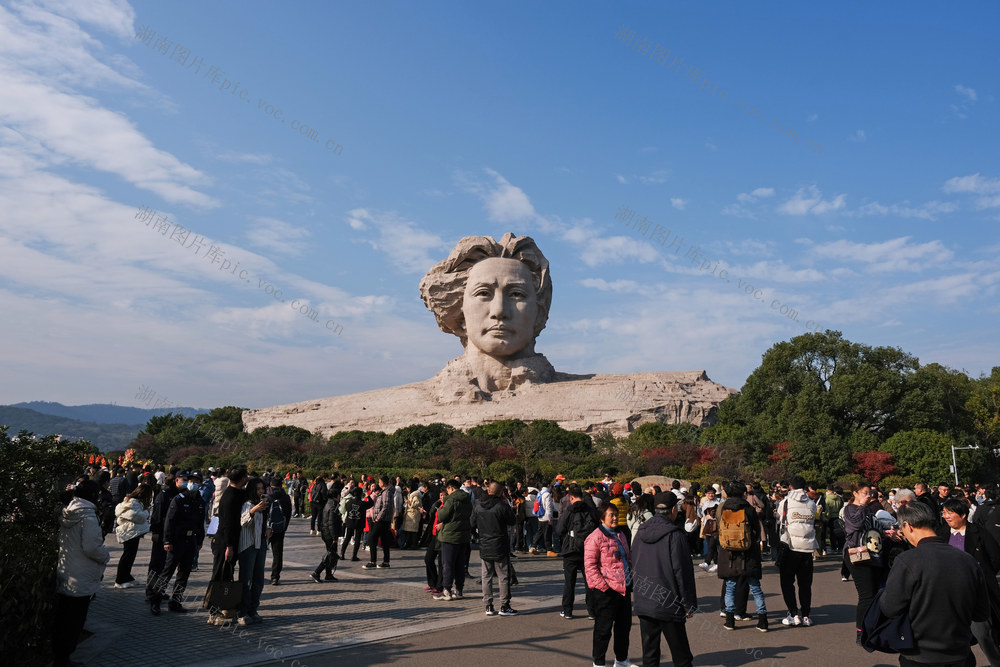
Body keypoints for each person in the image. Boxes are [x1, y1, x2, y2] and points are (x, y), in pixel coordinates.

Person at [882, 501, 989, 666]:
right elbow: (981, 613)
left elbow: (889, 607)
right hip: (959, 651)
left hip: (919, 654)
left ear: (907, 526)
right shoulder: (968, 560)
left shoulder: (907, 561)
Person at [632, 491, 696, 667]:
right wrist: (688, 603)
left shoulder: (640, 532)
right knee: (681, 655)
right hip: (669, 602)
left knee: (650, 654)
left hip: (644, 600)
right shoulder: (675, 535)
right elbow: (682, 572)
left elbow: (633, 564)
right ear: (673, 509)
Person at [53, 480, 110, 667]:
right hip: (81, 576)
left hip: (66, 571)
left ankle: (59, 657)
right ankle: (64, 659)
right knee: (75, 620)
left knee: (63, 618)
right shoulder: (88, 517)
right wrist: (106, 556)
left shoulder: (68, 511)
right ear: (93, 495)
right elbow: (92, 547)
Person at [941, 497, 1000, 665]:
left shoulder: (979, 533)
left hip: (975, 593)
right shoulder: (941, 533)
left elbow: (995, 558)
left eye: (950, 512)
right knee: (954, 634)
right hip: (949, 594)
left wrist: (982, 576)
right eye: (944, 512)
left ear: (963, 515)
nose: (946, 516)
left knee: (983, 633)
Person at [149, 472, 206, 615]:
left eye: (196, 482)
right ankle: (155, 601)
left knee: (183, 574)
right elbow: (169, 521)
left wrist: (199, 541)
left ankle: (176, 601)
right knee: (167, 573)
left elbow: (200, 524)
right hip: (176, 541)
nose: (193, 483)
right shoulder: (179, 499)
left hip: (190, 541)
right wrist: (167, 540)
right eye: (191, 481)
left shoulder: (200, 502)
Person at [585, 502, 633, 667]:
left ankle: (621, 660)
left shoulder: (621, 534)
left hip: (624, 588)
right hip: (606, 591)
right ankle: (598, 663)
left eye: (616, 514)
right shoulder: (595, 537)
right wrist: (604, 587)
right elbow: (590, 567)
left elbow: (628, 559)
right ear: (601, 518)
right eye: (611, 515)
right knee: (603, 630)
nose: (614, 518)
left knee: (623, 628)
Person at [717, 481, 768, 632]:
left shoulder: (723, 507)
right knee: (755, 587)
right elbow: (756, 530)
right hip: (749, 552)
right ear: (743, 494)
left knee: (730, 586)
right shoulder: (749, 509)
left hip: (729, 553)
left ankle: (730, 620)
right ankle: (762, 621)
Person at [843, 482, 886, 644]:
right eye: (865, 493)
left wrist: (886, 532)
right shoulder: (850, 509)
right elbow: (855, 525)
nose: (868, 496)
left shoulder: (869, 509)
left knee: (875, 593)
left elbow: (872, 529)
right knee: (866, 595)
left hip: (873, 554)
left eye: (870, 493)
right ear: (855, 493)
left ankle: (872, 628)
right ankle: (861, 632)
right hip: (857, 553)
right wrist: (861, 506)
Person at [777, 475, 819, 628]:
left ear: (790, 487)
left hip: (790, 546)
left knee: (787, 582)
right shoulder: (811, 503)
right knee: (805, 584)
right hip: (807, 547)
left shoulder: (786, 502)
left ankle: (793, 614)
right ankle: (806, 615)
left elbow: (780, 519)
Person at [207, 467, 247, 626]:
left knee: (227, 574)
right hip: (224, 541)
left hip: (230, 541)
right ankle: (213, 612)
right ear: (243, 478)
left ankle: (226, 608)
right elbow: (228, 525)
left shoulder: (237, 493)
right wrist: (229, 547)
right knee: (219, 575)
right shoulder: (230, 497)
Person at [473, 481, 518, 616]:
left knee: (486, 575)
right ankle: (504, 605)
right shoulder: (501, 506)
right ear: (500, 492)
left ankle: (488, 605)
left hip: (485, 543)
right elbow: (512, 521)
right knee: (503, 576)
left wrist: (478, 535)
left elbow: (471, 523)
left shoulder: (478, 505)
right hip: (499, 543)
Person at [557, 483, 599, 619]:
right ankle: (592, 611)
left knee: (570, 582)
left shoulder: (569, 511)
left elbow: (559, 530)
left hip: (570, 550)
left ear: (571, 498)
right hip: (588, 551)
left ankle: (567, 610)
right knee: (589, 582)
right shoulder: (591, 510)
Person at [144, 473, 183, 604]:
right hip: (160, 533)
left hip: (172, 534)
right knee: (156, 564)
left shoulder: (180, 495)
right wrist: (155, 531)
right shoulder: (164, 494)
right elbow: (157, 513)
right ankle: (150, 592)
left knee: (165, 566)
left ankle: (158, 590)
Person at [236, 478, 270, 625]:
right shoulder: (248, 504)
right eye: (257, 489)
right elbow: (243, 521)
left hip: (260, 544)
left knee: (259, 580)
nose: (260, 491)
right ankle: (242, 612)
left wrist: (269, 528)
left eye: (262, 488)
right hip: (248, 545)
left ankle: (253, 609)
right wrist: (255, 509)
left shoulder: (264, 506)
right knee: (246, 579)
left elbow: (265, 523)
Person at [434, 478, 473, 600]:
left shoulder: (451, 499)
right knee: (460, 564)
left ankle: (446, 590)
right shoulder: (467, 499)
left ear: (451, 488)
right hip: (463, 535)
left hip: (450, 536)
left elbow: (442, 515)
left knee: (448, 564)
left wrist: (442, 505)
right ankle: (459, 590)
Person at [113, 483, 151, 588]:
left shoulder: (131, 501)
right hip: (129, 531)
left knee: (130, 555)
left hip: (132, 531)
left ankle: (126, 576)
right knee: (127, 556)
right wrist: (146, 513)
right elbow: (136, 516)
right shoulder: (133, 502)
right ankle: (119, 580)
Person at [363, 476, 396, 569]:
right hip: (384, 520)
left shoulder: (387, 492)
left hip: (382, 520)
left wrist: (378, 517)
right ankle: (386, 562)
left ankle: (372, 561)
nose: (379, 483)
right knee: (384, 540)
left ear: (383, 483)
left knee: (372, 537)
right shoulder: (385, 492)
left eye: (380, 481)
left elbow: (385, 507)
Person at [312, 487, 343, 583]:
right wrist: (334, 537)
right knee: (330, 555)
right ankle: (317, 572)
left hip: (326, 532)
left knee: (331, 554)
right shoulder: (333, 506)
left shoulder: (328, 503)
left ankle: (328, 575)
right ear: (335, 496)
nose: (340, 497)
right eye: (339, 496)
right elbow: (331, 523)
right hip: (329, 534)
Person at [267, 477, 292, 585]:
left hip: (265, 528)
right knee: (277, 553)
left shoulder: (265, 495)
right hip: (279, 528)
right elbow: (288, 513)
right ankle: (275, 577)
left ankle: (256, 575)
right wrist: (284, 527)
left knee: (259, 552)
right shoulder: (285, 497)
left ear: (270, 484)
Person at [340, 487, 365, 562]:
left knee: (347, 538)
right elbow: (371, 504)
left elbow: (345, 509)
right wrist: (368, 496)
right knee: (357, 539)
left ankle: (342, 554)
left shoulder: (349, 502)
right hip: (359, 522)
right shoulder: (362, 503)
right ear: (361, 494)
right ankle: (354, 556)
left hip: (350, 522)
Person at [401, 480, 423, 549]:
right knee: (409, 531)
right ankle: (409, 544)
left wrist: (409, 502)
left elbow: (417, 504)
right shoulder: (412, 494)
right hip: (410, 514)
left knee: (413, 531)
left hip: (413, 514)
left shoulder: (415, 495)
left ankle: (413, 544)